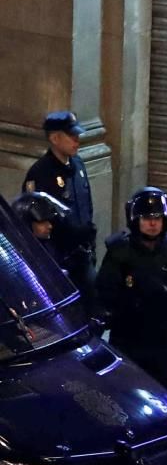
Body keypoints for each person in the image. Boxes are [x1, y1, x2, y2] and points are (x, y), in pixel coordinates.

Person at [96, 187, 167, 389]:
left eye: (157, 218)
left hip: (161, 337)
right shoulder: (119, 250)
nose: (152, 223)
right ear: (135, 219)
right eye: (146, 218)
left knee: (163, 391)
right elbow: (104, 291)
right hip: (127, 337)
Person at [22, 111, 97, 313]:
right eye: (71, 136)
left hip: (83, 257)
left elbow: (86, 205)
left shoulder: (78, 165)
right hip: (60, 262)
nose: (77, 140)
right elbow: (34, 224)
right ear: (55, 138)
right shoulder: (40, 174)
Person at [11, 191, 69, 261]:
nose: (50, 226)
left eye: (48, 221)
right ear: (26, 224)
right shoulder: (19, 258)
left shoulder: (53, 245)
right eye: (42, 222)